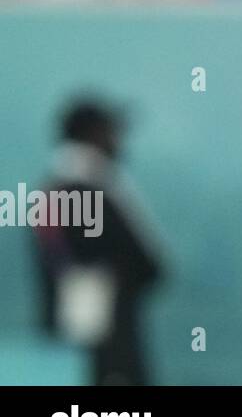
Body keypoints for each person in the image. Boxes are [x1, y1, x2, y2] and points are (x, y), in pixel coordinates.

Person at [31, 98, 167, 385]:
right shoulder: (87, 189)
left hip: (77, 336)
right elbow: (139, 261)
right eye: (110, 131)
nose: (118, 142)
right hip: (105, 338)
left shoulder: (53, 190)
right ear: (93, 134)